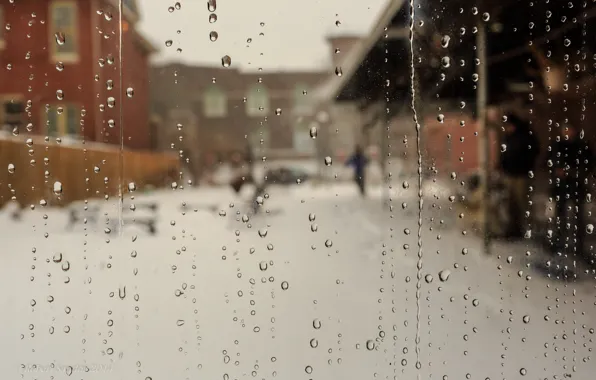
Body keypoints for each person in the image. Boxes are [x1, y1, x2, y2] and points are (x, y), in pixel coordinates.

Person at [549, 124, 594, 256]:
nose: (567, 133)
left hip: (577, 184)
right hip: (561, 185)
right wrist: (557, 170)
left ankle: (579, 244)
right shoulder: (558, 145)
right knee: (560, 214)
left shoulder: (582, 146)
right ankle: (559, 240)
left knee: (578, 216)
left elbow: (588, 163)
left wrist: (573, 172)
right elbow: (550, 161)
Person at [498, 113, 540, 239]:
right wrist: (503, 166)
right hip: (510, 173)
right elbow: (504, 154)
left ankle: (523, 229)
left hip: (521, 174)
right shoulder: (508, 138)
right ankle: (513, 229)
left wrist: (526, 166)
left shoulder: (525, 137)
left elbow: (533, 152)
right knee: (511, 203)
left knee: (522, 202)